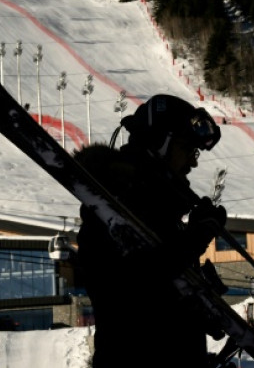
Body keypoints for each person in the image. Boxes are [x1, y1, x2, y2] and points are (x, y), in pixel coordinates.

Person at [75, 94, 223, 367]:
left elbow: (163, 297)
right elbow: (134, 290)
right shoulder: (111, 212)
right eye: (188, 149)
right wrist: (194, 239)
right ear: (160, 144)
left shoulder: (159, 215)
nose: (193, 163)